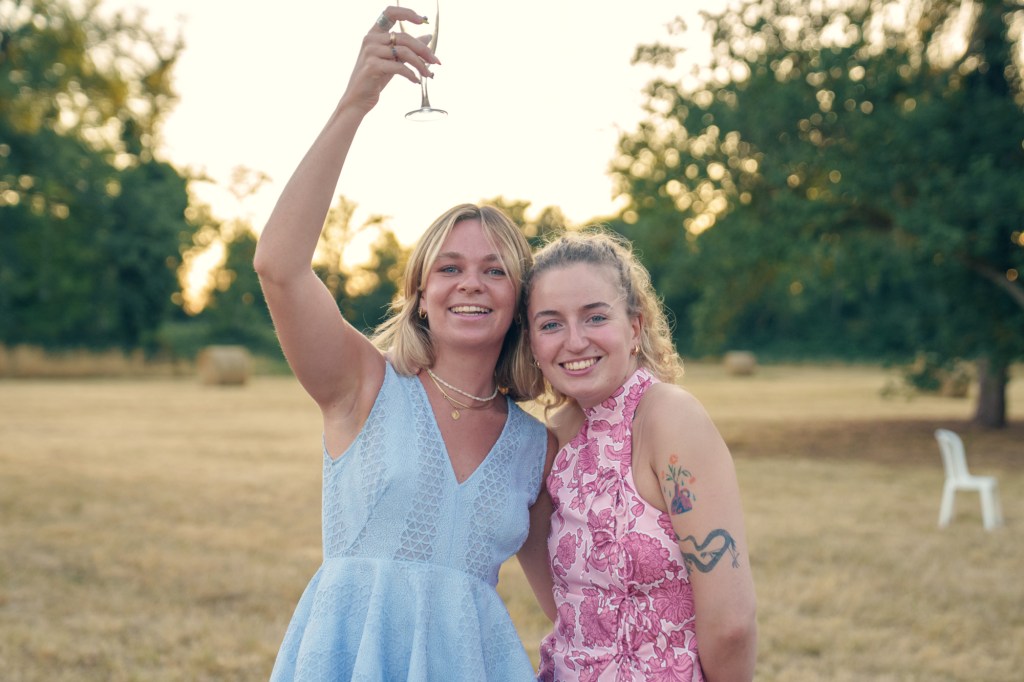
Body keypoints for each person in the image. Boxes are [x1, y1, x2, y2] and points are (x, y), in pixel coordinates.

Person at [253, 7, 556, 680]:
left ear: (519, 300)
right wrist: (355, 101)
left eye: (494, 270)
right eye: (449, 268)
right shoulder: (360, 385)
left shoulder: (536, 447)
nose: (470, 283)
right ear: (420, 293)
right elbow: (279, 265)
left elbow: (566, 602)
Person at [524, 230, 757, 681]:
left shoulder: (669, 417)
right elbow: (566, 609)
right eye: (551, 324)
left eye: (595, 317)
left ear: (634, 327)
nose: (575, 341)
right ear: (532, 342)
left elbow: (731, 625)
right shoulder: (548, 443)